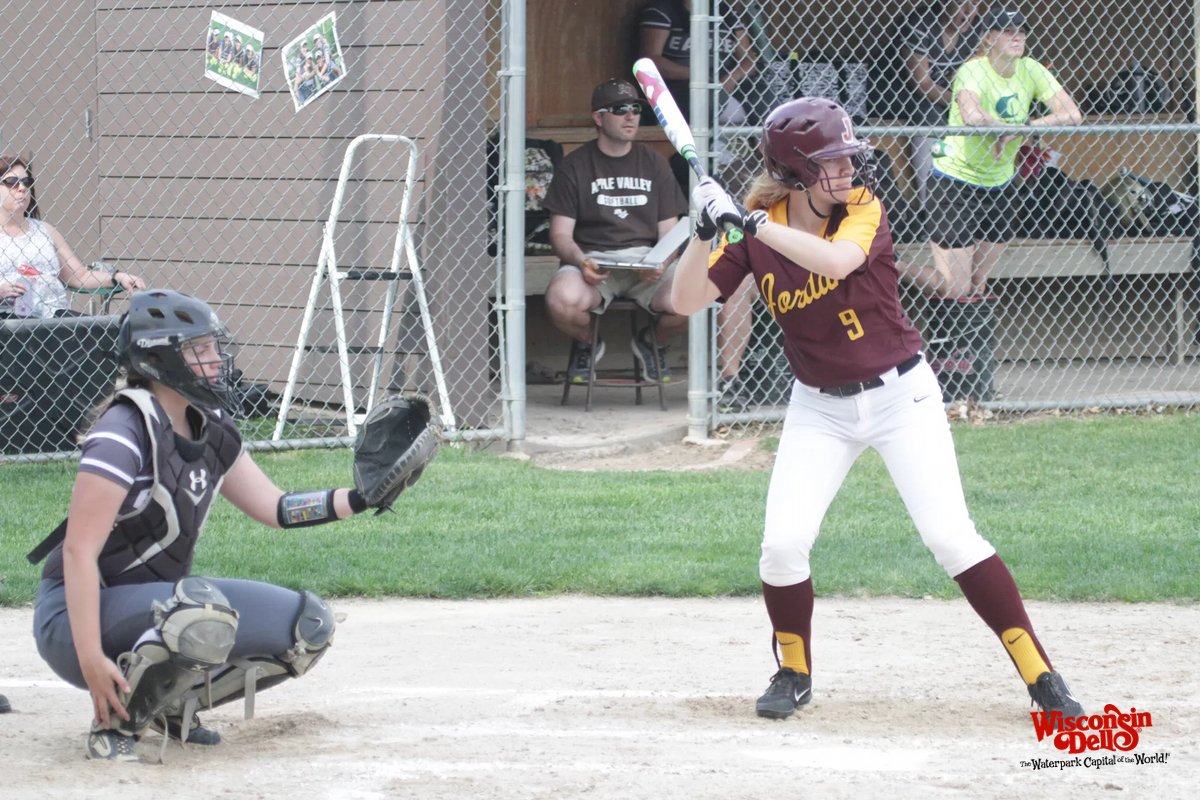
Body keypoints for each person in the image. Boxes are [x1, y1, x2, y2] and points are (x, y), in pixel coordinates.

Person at [670, 97, 1085, 725]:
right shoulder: (758, 228)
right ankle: (793, 672)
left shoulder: (861, 208)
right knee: (782, 545)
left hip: (901, 397)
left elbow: (837, 261)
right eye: (831, 161)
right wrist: (703, 233)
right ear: (796, 170)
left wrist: (748, 224)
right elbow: (684, 300)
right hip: (819, 407)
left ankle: (1041, 675)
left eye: (847, 157)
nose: (848, 169)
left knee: (950, 538)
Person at [27, 289, 401, 761]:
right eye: (199, 349)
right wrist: (89, 658)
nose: (216, 359)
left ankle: (164, 702)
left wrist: (360, 499)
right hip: (74, 619)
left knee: (308, 626)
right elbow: (77, 552)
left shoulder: (211, 424)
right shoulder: (121, 434)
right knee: (200, 615)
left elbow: (276, 507)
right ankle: (116, 721)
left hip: (156, 607)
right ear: (160, 358)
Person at [901, 7, 1082, 401]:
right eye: (1007, 30)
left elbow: (1071, 114)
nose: (1017, 37)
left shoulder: (1032, 69)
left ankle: (972, 379)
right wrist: (1001, 129)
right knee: (955, 285)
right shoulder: (972, 70)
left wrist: (1022, 128)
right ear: (988, 37)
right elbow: (971, 114)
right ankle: (889, 263)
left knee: (977, 284)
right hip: (955, 182)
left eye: (1022, 30)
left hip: (999, 186)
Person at [542, 78, 689, 385]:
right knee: (561, 300)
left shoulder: (654, 163)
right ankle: (589, 342)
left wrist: (661, 261)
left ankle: (652, 342)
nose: (631, 116)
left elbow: (670, 230)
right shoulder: (575, 166)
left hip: (647, 261)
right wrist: (581, 261)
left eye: (636, 109)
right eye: (620, 109)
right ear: (599, 118)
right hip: (593, 261)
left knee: (694, 294)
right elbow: (560, 235)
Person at [1, 156, 145, 319]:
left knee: (103, 329)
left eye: (26, 182)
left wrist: (117, 277)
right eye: (12, 182)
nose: (22, 188)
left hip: (54, 315)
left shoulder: (45, 231)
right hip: (8, 318)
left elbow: (80, 276)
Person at [896, 1, 986, 210]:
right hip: (909, 95)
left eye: (974, 4)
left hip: (954, 95)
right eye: (961, 3)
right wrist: (961, 102)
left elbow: (974, 73)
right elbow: (923, 84)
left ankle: (977, 201)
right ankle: (928, 206)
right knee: (928, 111)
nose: (969, 11)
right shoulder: (920, 23)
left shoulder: (977, 27)